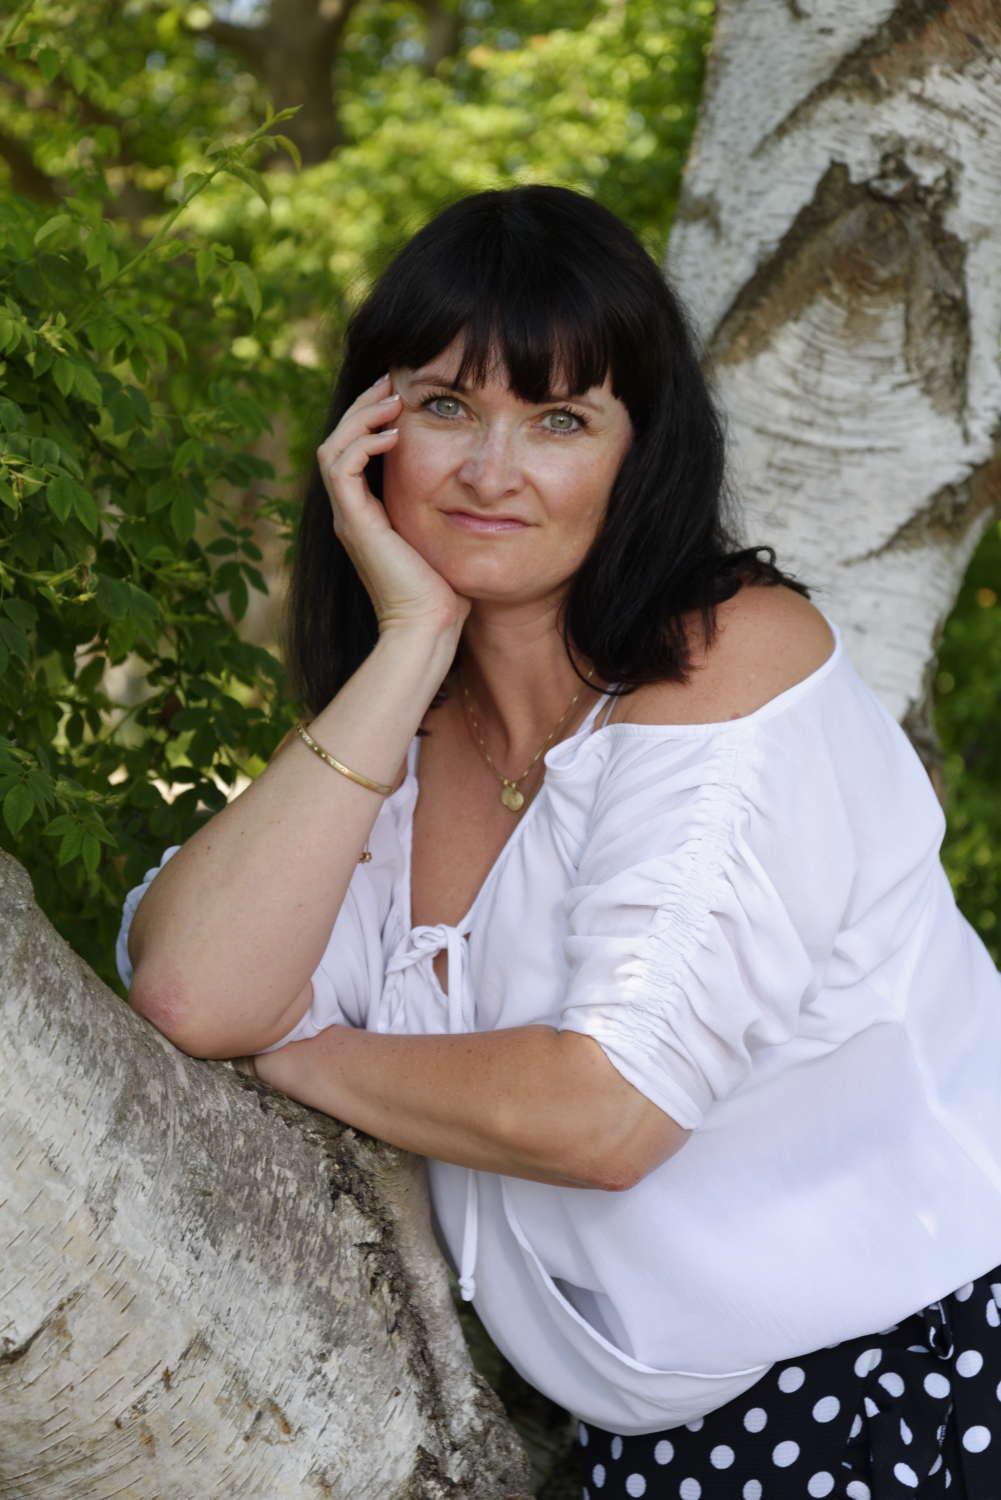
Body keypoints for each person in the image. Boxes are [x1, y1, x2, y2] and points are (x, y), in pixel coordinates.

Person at [118, 187, 1001, 1498]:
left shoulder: (735, 671)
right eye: (443, 407)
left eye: (560, 420)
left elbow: (605, 1112)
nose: (491, 471)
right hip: (663, 1453)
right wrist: (410, 643)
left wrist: (303, 1058)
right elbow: (194, 991)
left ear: (639, 458)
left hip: (928, 1383)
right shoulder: (393, 748)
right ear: (369, 438)